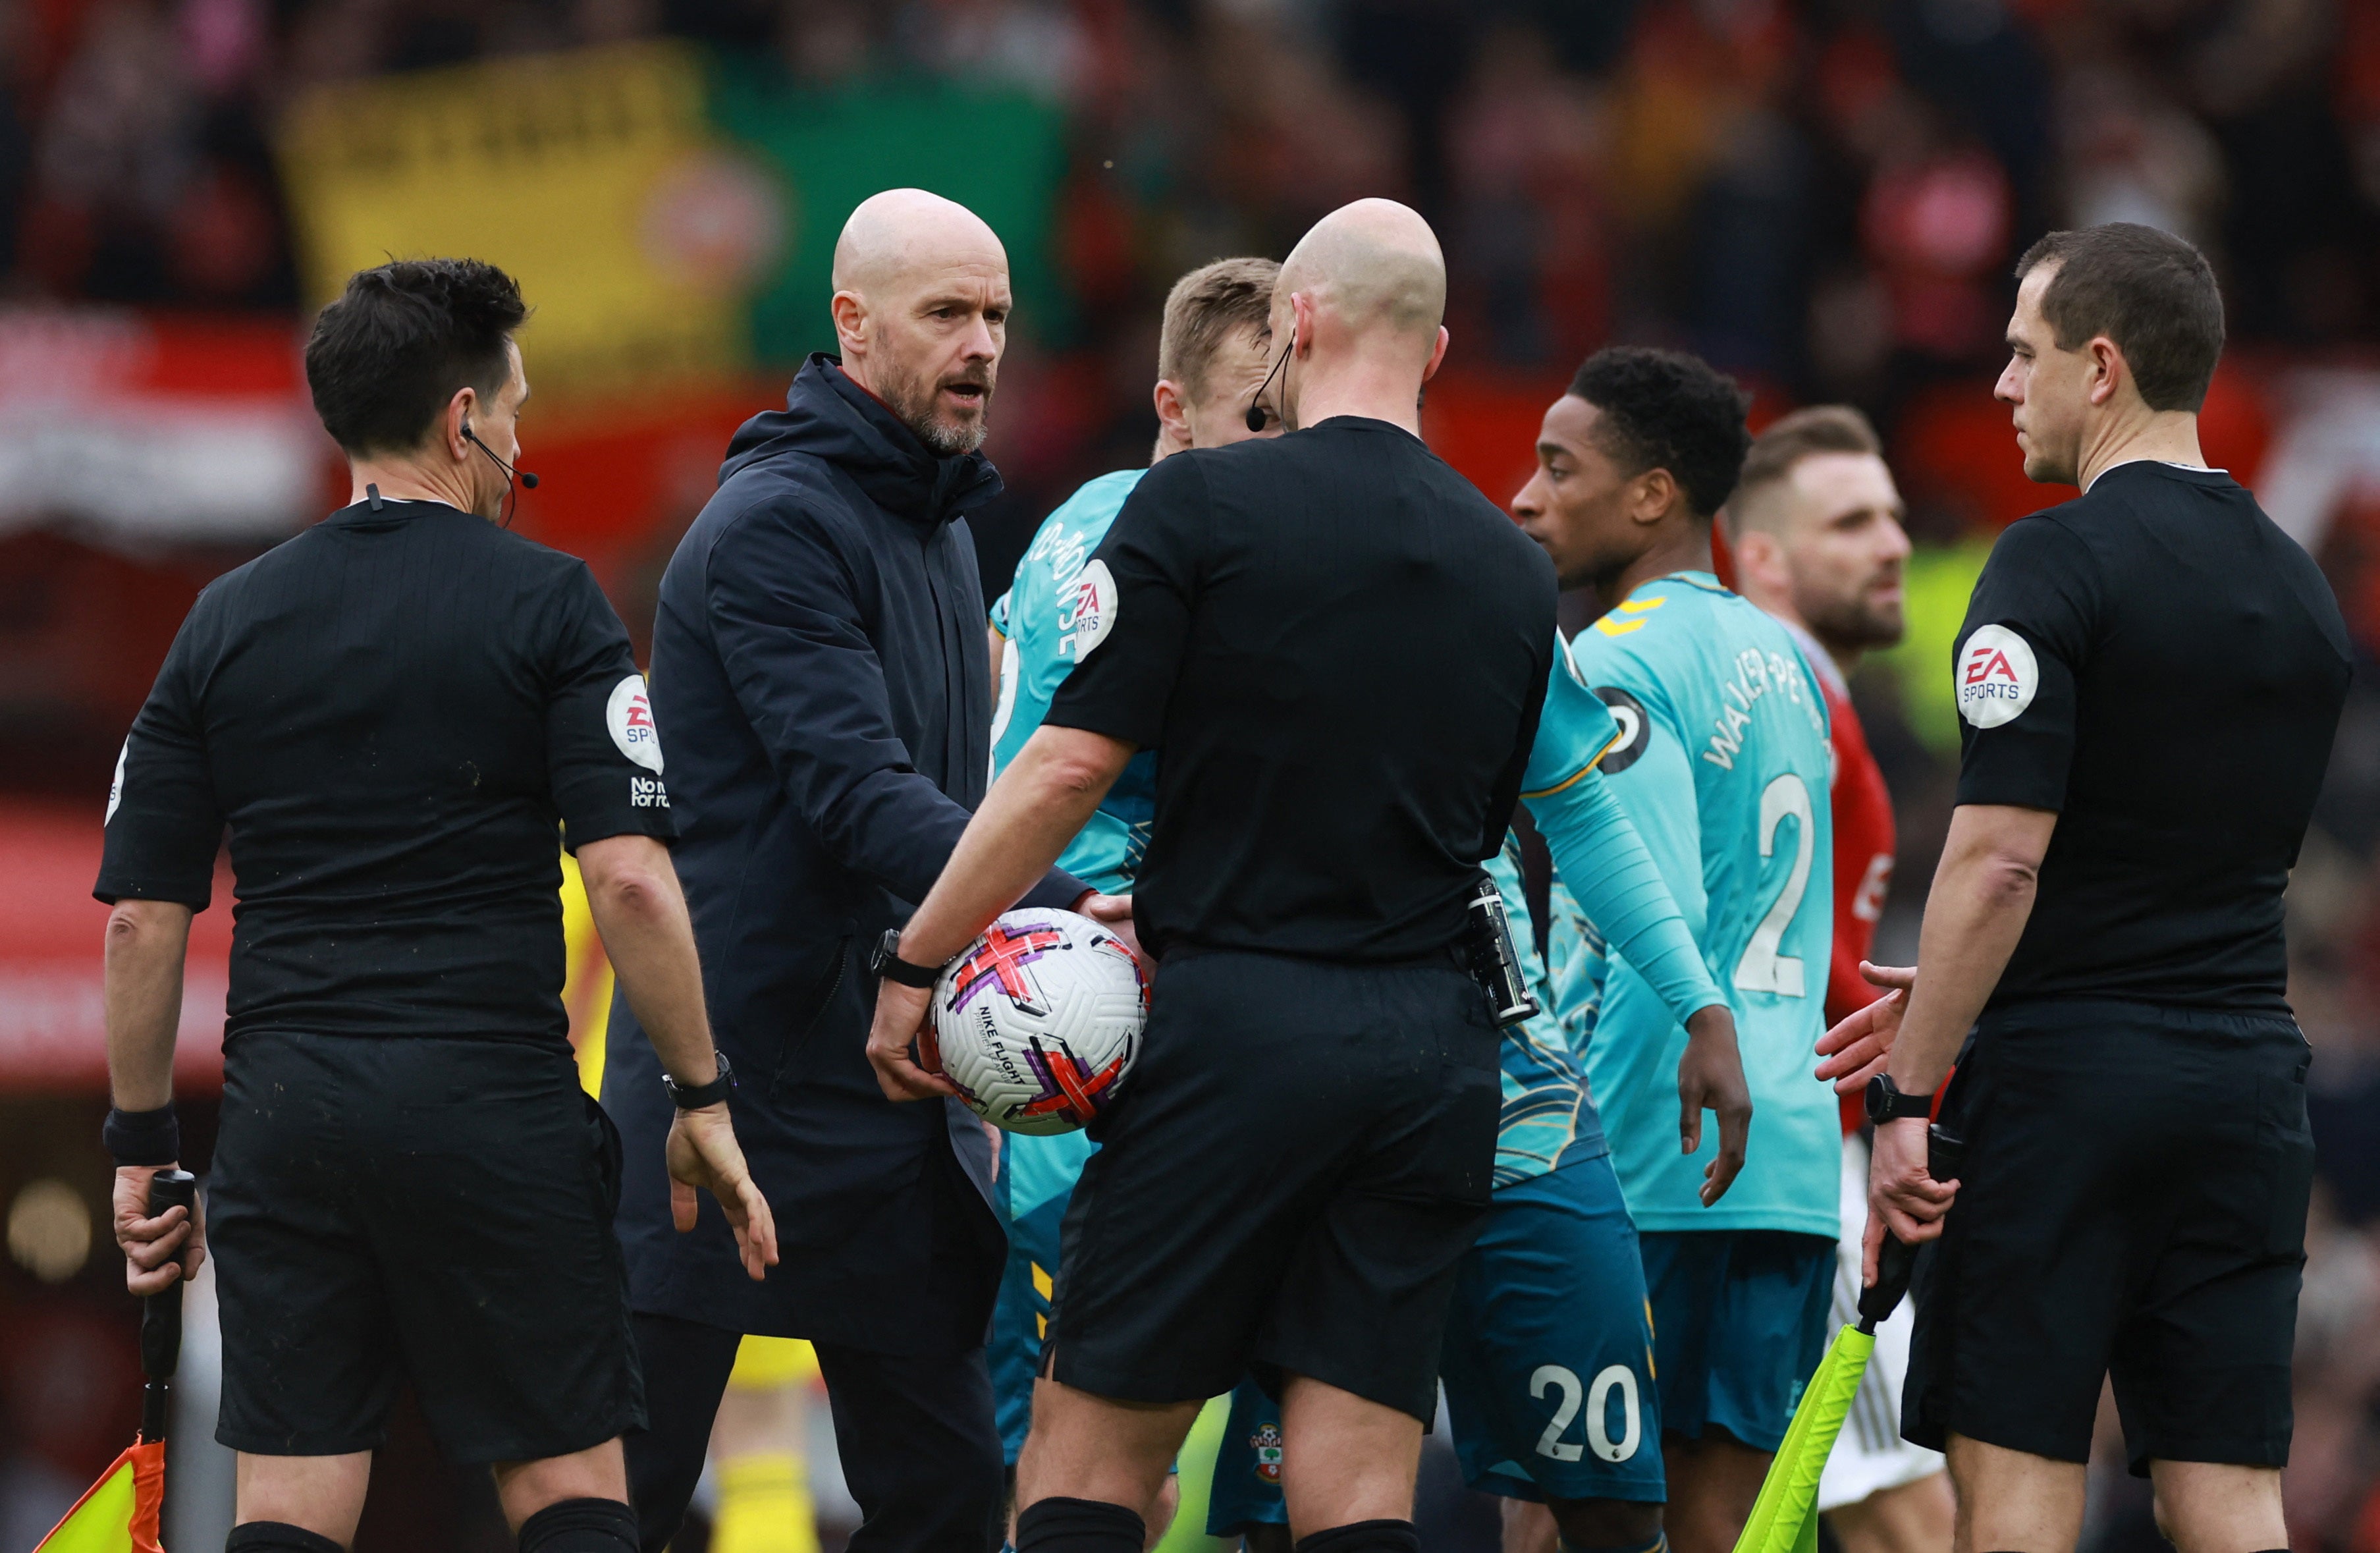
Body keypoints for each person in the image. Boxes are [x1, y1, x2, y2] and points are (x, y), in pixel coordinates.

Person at [865, 198, 1555, 1553]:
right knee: (1355, 1475)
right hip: (1432, 1054)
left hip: (1237, 1030)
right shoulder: (1508, 563)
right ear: (1434, 347)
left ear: (1296, 323)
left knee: (1087, 1452)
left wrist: (916, 958)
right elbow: (1484, 822)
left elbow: (1065, 768)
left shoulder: (1200, 501)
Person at [98, 257, 774, 1553]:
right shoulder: (553, 605)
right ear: (463, 419)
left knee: (292, 1506)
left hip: (291, 1119)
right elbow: (628, 874)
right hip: (495, 1119)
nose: (519, 440)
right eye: (514, 408)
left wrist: (142, 1148)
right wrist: (700, 1098)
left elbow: (139, 919)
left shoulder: (220, 625)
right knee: (568, 1494)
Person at [1818, 224, 2352, 1553]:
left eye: (2021, 353)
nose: (2002, 385)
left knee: (2018, 1493)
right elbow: (2161, 854)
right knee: (2229, 1498)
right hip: (2242, 1088)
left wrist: (1907, 1089)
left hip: (2062, 1097)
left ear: (2099, 366)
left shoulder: (2051, 562)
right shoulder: (2299, 590)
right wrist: (1951, 993)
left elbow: (2001, 860)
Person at [600, 188, 1118, 1553]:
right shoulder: (774, 523)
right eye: (946, 312)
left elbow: (944, 804)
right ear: (851, 322)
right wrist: (1070, 912)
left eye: (997, 315)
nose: (982, 345)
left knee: (946, 1497)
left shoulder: (945, 525)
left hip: (896, 1087)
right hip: (725, 1089)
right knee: (617, 1502)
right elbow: (862, 801)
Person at [980, 254, 1285, 1542]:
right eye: (1256, 422)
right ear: (1172, 407)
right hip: (1116, 1034)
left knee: (1064, 1465)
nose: (1284, 453)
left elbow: (981, 724)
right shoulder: (1197, 553)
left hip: (1014, 1018)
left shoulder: (1072, 518)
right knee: (1115, 1469)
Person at [1512, 347, 1837, 1553]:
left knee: (1553, 1518)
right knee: (1725, 1532)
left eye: (1557, 468)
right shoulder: (1787, 663)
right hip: (1788, 1157)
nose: (1525, 498)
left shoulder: (1612, 659)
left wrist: (1571, 1145)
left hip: (1650, 1148)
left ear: (1650, 494)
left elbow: (1636, 888)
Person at [1723, 409, 1951, 1553]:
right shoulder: (1776, 704)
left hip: (1804, 1148)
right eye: (1852, 522)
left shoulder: (1821, 711)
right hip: (1789, 1159)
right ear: (1760, 554)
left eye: (1896, 518)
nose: (1893, 543)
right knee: (1907, 1520)